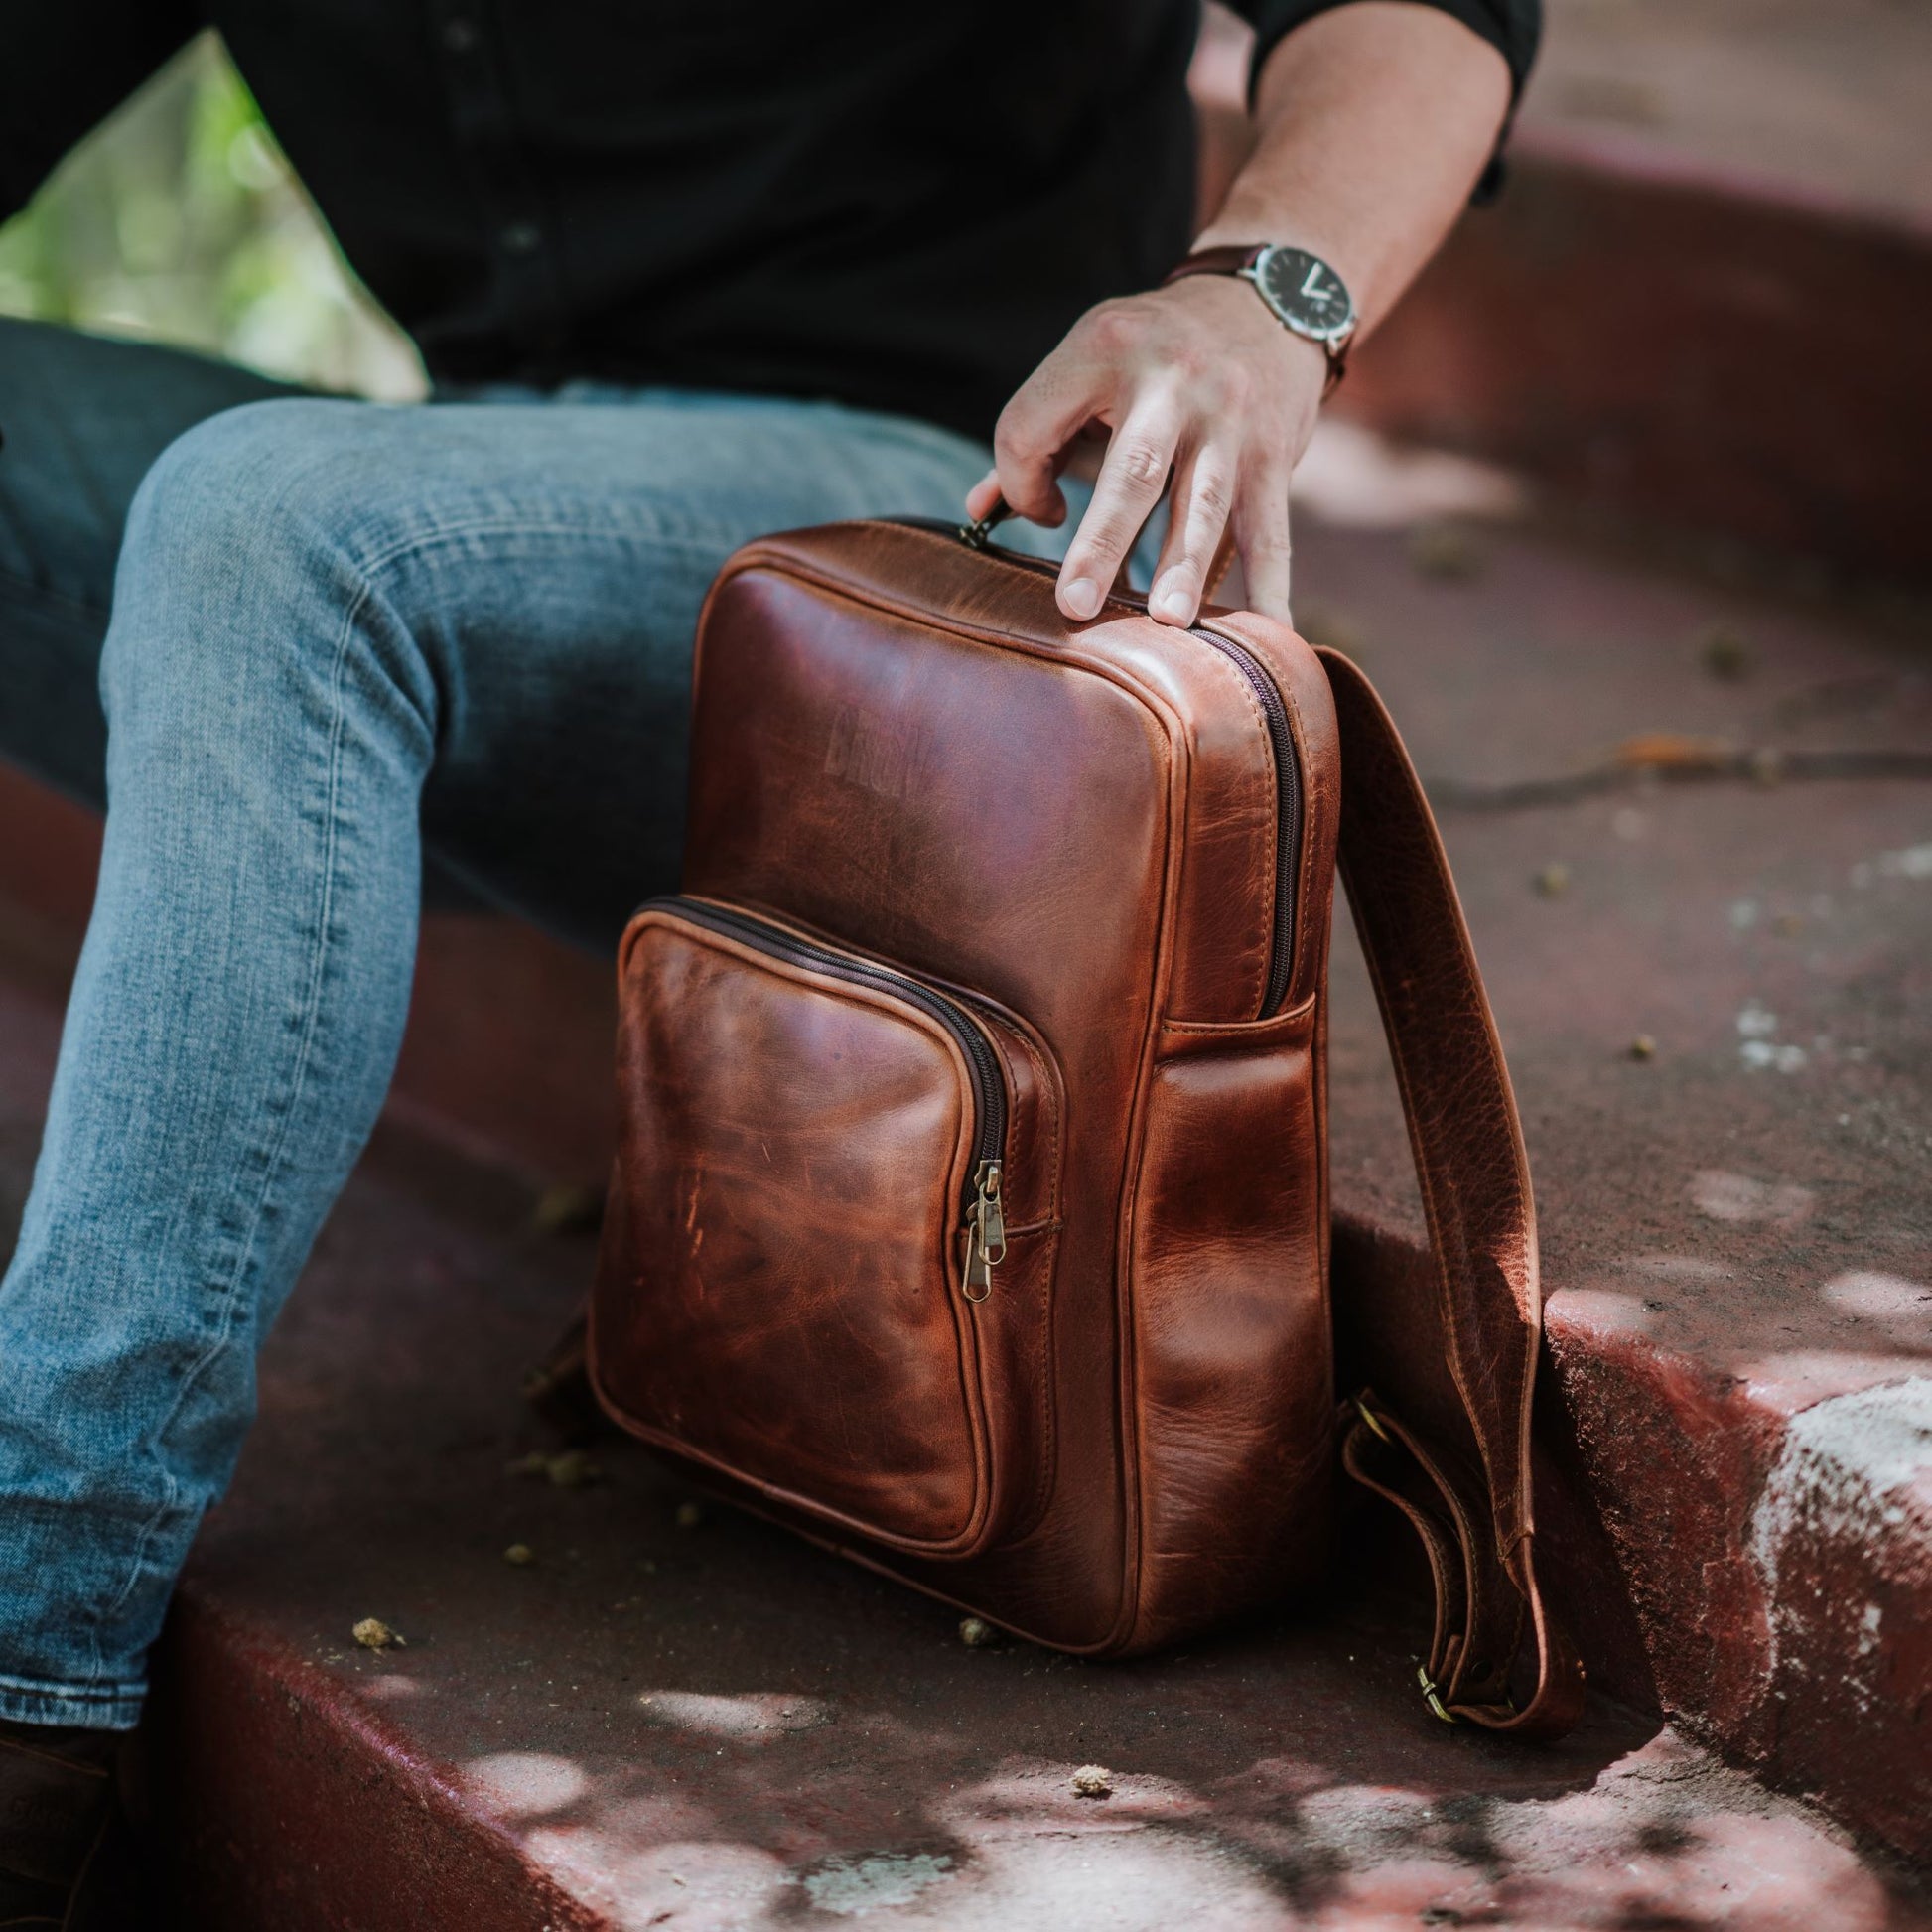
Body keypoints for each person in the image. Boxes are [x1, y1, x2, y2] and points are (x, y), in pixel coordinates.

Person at [0, 1, 1533, 1915]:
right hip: (510, 507)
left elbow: (1430, 18)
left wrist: (1260, 294)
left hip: (968, 534)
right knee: (288, 520)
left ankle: (24, 1667)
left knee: (268, 523)